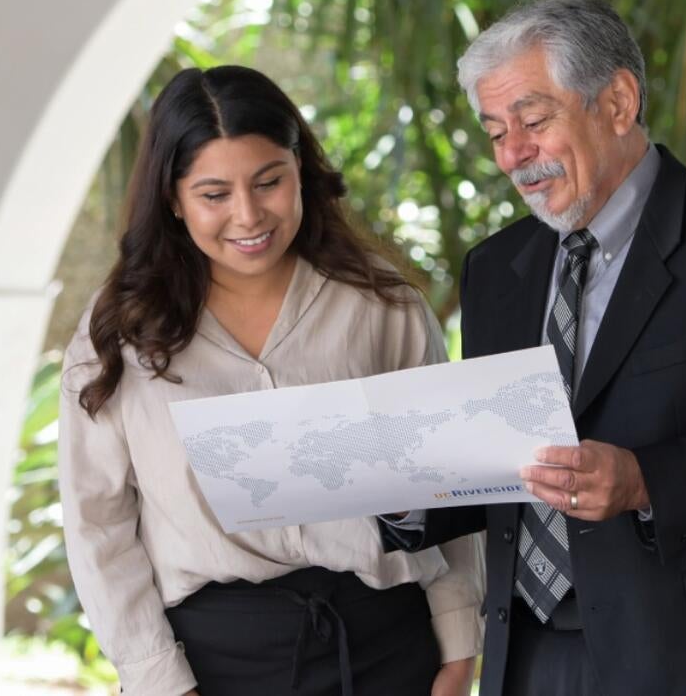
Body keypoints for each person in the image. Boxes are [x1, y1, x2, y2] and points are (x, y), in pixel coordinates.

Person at [381, 0, 686, 695]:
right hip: (531, 658)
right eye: (495, 132)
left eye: (533, 121)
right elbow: (510, 462)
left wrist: (644, 479)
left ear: (618, 103)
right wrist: (404, 491)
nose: (512, 154)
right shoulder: (495, 268)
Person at [58, 65, 482, 696]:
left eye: (268, 182)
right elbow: (98, 524)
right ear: (172, 199)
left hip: (388, 649)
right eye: (214, 194)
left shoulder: (382, 306)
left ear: (299, 169)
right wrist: (159, 682)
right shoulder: (118, 333)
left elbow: (446, 488)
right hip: (210, 666)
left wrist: (458, 645)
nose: (248, 215)